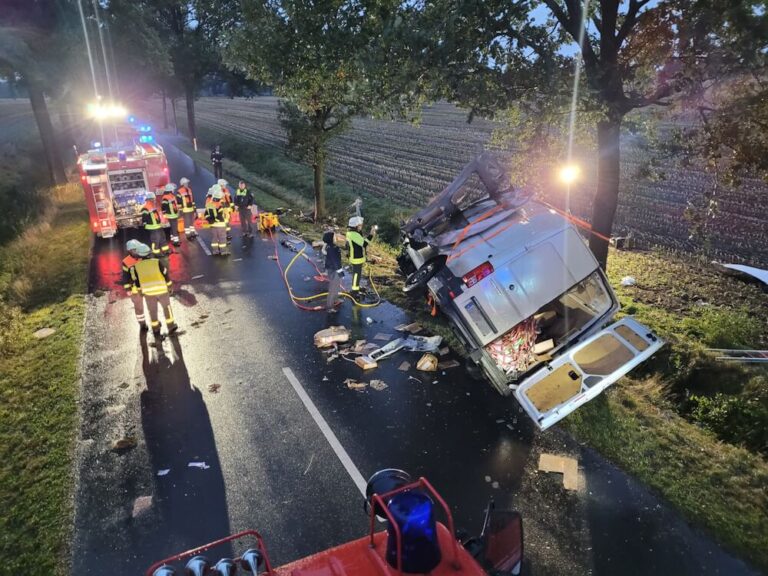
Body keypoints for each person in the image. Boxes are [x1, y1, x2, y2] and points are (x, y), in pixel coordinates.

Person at [131, 243, 177, 335]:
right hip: (162, 290)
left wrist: (140, 291)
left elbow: (136, 281)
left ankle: (155, 328)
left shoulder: (136, 267)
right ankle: (171, 326)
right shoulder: (156, 262)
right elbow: (165, 274)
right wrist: (170, 286)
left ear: (139, 255)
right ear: (149, 253)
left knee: (152, 310)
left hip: (148, 293)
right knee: (167, 308)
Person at [345, 216, 376, 298]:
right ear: (355, 226)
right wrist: (371, 235)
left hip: (356, 256)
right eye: (360, 225)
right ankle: (354, 291)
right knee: (356, 274)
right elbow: (364, 244)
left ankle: (356, 287)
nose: (361, 226)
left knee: (357, 273)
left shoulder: (353, 233)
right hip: (356, 258)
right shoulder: (354, 234)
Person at [122, 239, 146, 329]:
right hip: (135, 288)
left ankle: (155, 323)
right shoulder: (126, 261)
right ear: (129, 251)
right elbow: (125, 276)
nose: (136, 251)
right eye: (134, 250)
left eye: (137, 249)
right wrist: (128, 289)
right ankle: (142, 323)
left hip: (146, 285)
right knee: (139, 307)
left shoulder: (143, 256)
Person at [205, 185, 229, 256]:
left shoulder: (209, 204)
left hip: (213, 225)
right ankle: (223, 251)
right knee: (222, 238)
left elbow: (206, 214)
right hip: (221, 224)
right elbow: (224, 214)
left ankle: (215, 251)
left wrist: (211, 220)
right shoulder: (221, 204)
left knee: (214, 238)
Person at [323, 231, 343, 312]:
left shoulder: (333, 246)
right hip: (334, 269)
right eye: (334, 236)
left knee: (337, 285)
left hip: (334, 268)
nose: (336, 237)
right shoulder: (332, 248)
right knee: (333, 288)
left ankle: (336, 300)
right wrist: (340, 271)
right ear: (331, 239)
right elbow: (335, 261)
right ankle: (329, 307)